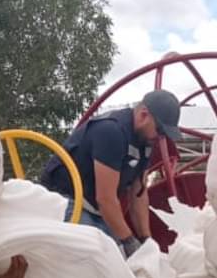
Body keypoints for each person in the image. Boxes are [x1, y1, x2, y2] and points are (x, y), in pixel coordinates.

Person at [41, 89, 182, 256]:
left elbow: (138, 194)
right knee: (99, 257)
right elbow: (105, 199)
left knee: (120, 257)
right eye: (160, 130)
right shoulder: (111, 131)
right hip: (64, 198)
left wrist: (146, 240)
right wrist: (129, 241)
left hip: (94, 208)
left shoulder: (146, 142)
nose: (161, 137)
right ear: (144, 115)